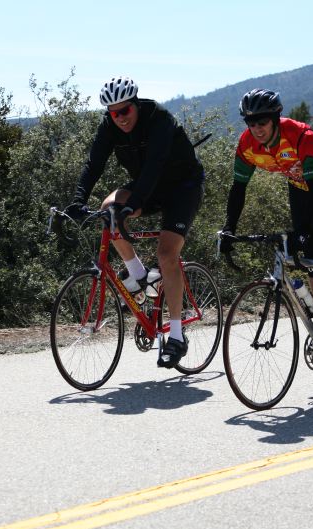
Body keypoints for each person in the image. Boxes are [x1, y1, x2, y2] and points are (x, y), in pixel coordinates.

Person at [68, 76, 205, 368]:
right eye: (113, 113)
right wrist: (78, 200)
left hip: (183, 187)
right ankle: (139, 274)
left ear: (136, 105)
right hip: (149, 187)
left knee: (167, 254)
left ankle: (177, 337)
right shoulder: (109, 127)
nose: (119, 118)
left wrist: (131, 206)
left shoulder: (159, 119)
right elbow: (94, 164)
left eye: (124, 111)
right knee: (108, 209)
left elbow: (155, 165)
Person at [219, 88, 313, 347]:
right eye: (251, 122)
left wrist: (308, 227)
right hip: (298, 182)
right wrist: (229, 228)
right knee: (304, 250)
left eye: (262, 122)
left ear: (276, 118)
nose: (257, 128)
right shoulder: (246, 144)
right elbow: (238, 189)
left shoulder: (302, 136)